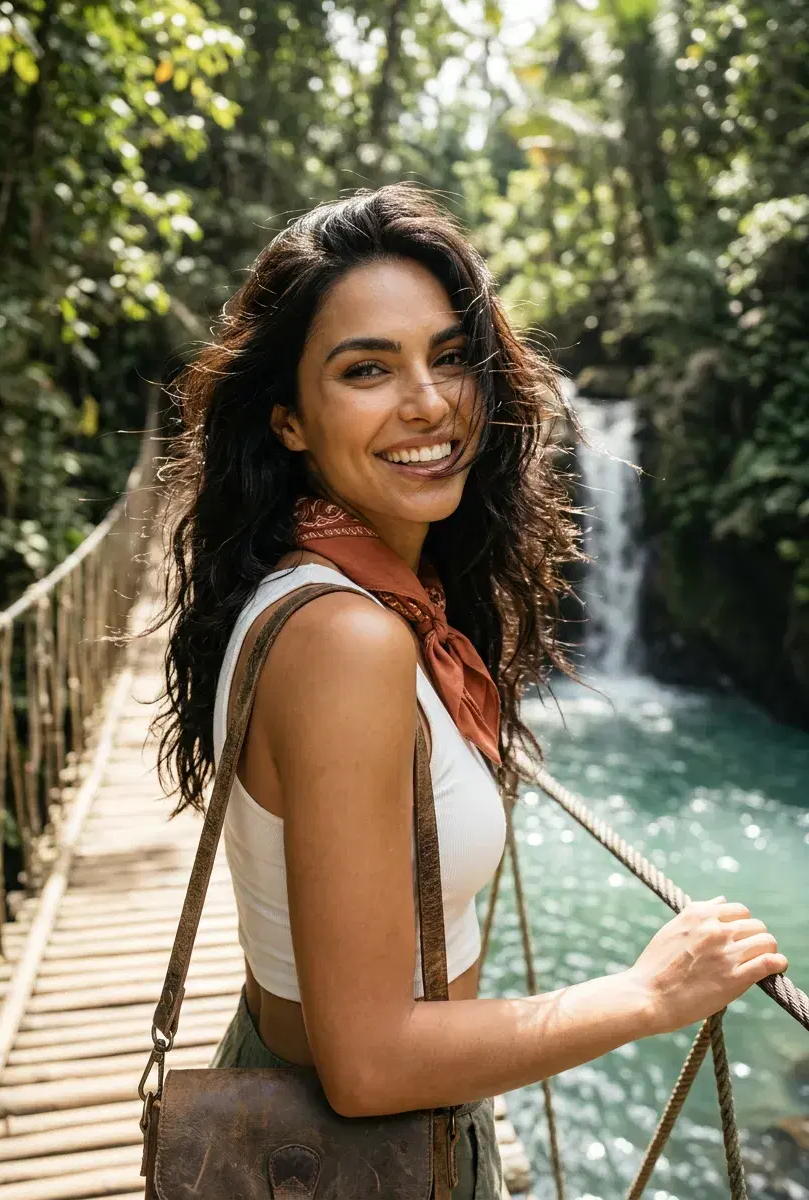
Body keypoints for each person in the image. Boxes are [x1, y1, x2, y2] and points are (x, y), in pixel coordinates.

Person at [155, 183, 787, 1198]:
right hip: (364, 1155)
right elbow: (366, 1066)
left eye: (450, 357)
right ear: (288, 420)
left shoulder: (326, 592)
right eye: (367, 369)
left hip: (324, 1122)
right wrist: (645, 993)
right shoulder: (349, 639)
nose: (429, 402)